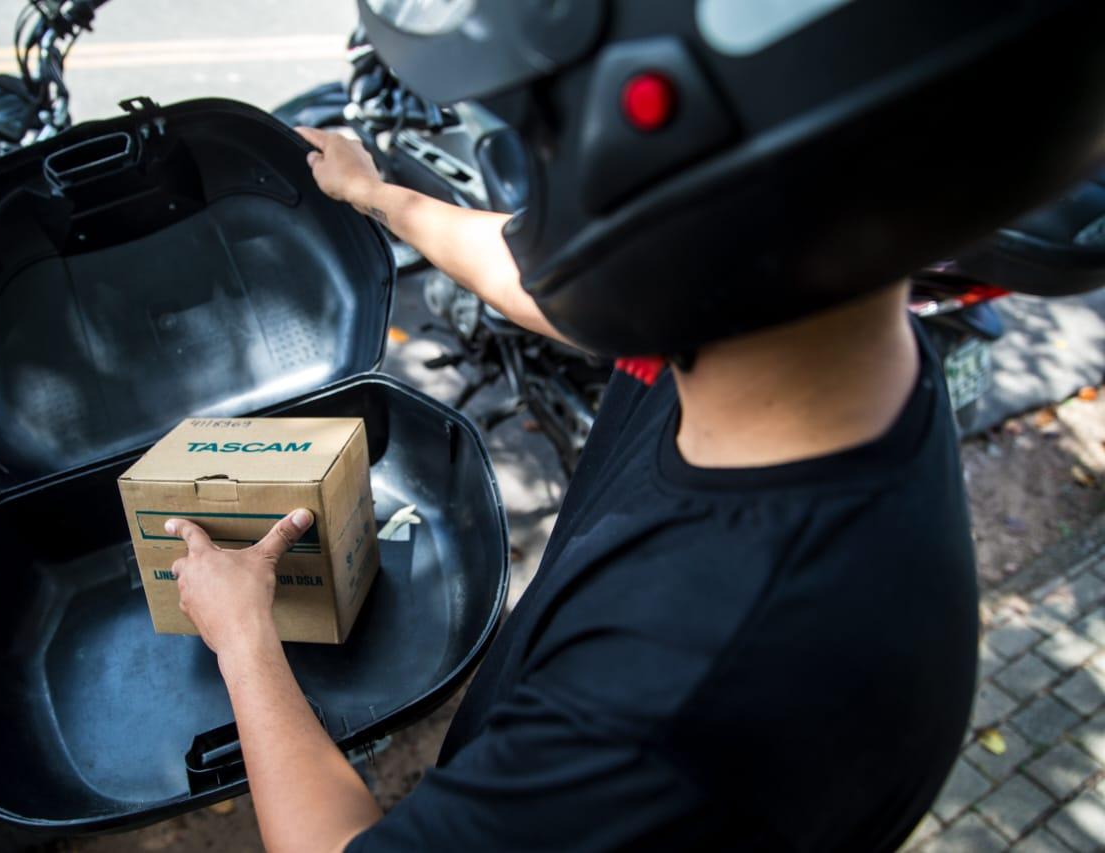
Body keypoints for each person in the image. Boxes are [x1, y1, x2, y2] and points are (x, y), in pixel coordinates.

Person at [164, 1, 1105, 849]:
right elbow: (543, 286)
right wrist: (380, 196)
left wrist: (244, 632)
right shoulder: (817, 331)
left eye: (549, 137)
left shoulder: (670, 695)